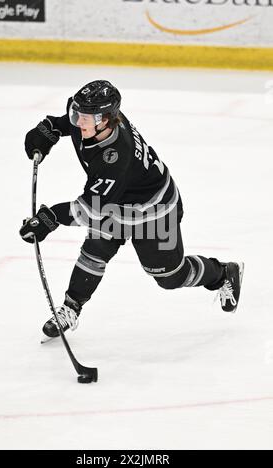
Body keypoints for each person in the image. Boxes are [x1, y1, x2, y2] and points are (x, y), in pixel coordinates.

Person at [20, 80, 244, 341]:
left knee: (169, 277)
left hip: (155, 212)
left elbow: (90, 210)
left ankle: (222, 273)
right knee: (94, 251)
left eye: (85, 118)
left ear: (105, 119)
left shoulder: (115, 155)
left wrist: (51, 217)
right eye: (76, 114)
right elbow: (67, 123)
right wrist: (50, 129)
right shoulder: (91, 117)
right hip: (115, 203)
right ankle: (70, 308)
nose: (78, 121)